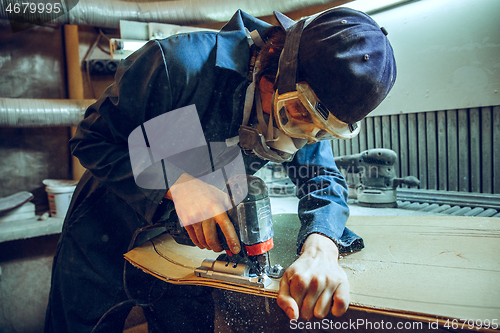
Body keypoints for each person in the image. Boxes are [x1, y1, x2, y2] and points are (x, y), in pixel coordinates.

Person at [45, 7, 396, 333]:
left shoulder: (312, 113)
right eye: (298, 116)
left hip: (187, 252)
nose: (302, 138)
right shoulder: (178, 65)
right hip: (103, 241)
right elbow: (92, 140)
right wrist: (178, 183)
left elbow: (322, 179)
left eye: (323, 131)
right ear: (275, 74)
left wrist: (321, 250)